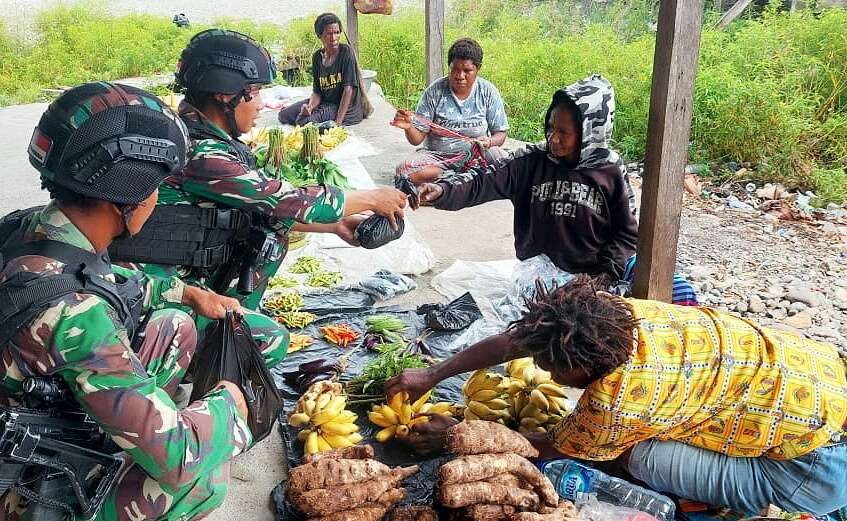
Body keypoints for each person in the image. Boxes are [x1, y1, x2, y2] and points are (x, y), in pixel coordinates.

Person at [0, 82, 261, 521]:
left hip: (32, 405)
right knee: (198, 477)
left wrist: (188, 293)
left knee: (173, 325)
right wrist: (229, 405)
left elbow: (107, 277)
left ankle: (133, 428)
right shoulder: (77, 313)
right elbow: (181, 456)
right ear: (130, 192)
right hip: (19, 476)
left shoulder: (27, 230)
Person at [385, 275, 847, 516]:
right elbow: (516, 339)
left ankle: (756, 498)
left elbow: (555, 447)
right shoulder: (619, 315)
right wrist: (432, 372)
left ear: (586, 368)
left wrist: (459, 434)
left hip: (815, 471)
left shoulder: (615, 402)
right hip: (827, 384)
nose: (546, 374)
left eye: (555, 371)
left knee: (638, 457)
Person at [110, 29, 407, 328]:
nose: (262, 104)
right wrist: (371, 198)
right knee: (269, 340)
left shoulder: (190, 132)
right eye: (254, 92)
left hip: (167, 269)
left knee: (265, 227)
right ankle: (205, 341)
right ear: (226, 94)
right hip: (156, 289)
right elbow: (284, 200)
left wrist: (334, 225)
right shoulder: (200, 153)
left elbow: (257, 208)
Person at [392, 37, 510, 185]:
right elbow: (416, 140)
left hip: (478, 156)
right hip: (438, 158)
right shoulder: (435, 92)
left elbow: (501, 134)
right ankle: (464, 179)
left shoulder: (487, 91)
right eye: (455, 69)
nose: (460, 76)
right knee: (405, 171)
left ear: (477, 69)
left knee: (510, 165)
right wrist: (409, 127)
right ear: (449, 67)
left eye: (467, 71)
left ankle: (456, 181)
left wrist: (489, 141)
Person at [278, 13, 369, 127]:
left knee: (304, 122)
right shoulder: (317, 57)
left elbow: (348, 89)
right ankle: (317, 117)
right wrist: (310, 108)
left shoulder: (345, 52)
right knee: (283, 115)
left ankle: (320, 120)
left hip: (342, 108)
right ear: (320, 35)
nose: (334, 38)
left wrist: (338, 123)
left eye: (336, 33)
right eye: (328, 34)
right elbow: (317, 92)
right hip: (325, 102)